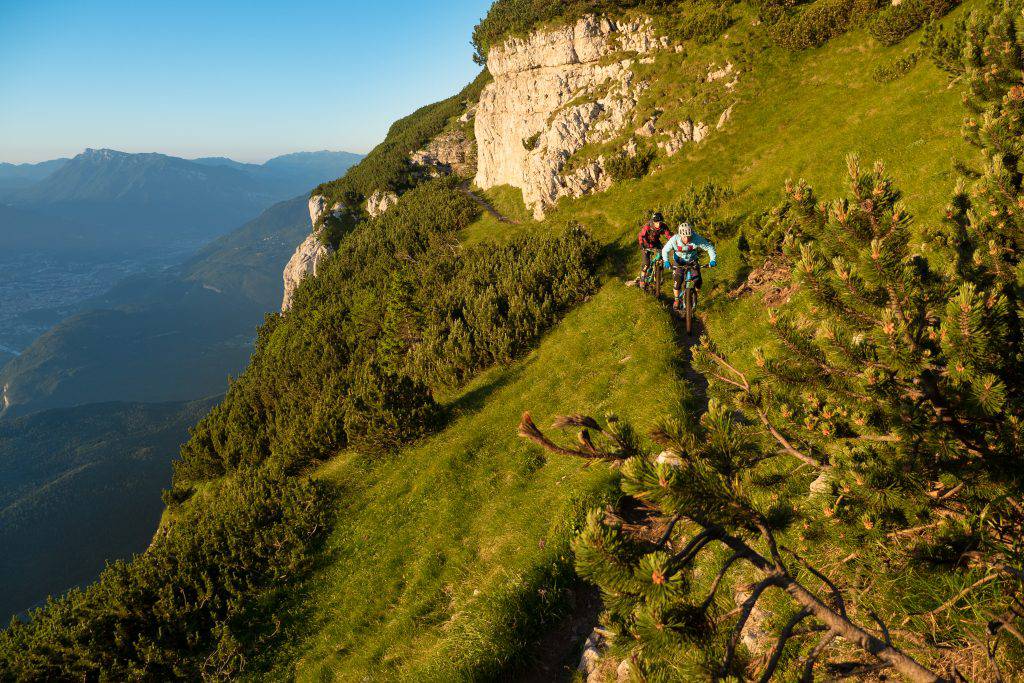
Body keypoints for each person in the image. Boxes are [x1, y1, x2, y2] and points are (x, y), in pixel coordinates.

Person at [662, 222, 717, 310]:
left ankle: (694, 294)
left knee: (697, 280)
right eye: (684, 237)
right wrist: (666, 261)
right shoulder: (674, 239)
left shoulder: (696, 238)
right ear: (680, 235)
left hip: (692, 261)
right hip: (679, 261)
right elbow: (665, 250)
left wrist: (712, 260)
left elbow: (709, 247)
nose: (687, 239)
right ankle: (677, 300)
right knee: (678, 281)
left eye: (689, 236)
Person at [629, 211, 673, 286]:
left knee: (662, 257)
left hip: (656, 243)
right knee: (646, 263)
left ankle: (660, 276)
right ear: (653, 221)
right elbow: (641, 236)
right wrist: (642, 245)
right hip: (646, 244)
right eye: (656, 222)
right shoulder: (648, 226)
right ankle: (642, 280)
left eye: (660, 222)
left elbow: (669, 236)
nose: (658, 224)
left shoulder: (663, 226)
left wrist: (675, 242)